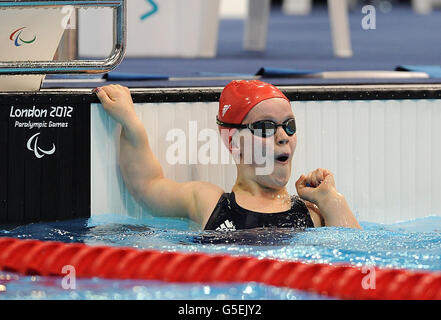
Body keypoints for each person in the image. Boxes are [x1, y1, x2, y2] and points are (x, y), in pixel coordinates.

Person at [94, 80, 361, 231]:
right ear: (233, 141)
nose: (283, 136)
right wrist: (131, 124)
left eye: (289, 125)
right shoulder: (209, 202)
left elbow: (359, 260)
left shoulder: (312, 213)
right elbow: (146, 187)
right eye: (266, 127)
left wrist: (333, 201)